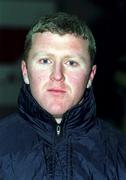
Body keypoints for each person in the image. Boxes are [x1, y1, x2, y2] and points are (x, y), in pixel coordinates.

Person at [0, 12, 126, 179]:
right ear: (25, 72)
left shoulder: (121, 152)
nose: (57, 75)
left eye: (71, 63)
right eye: (45, 61)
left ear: (90, 76)